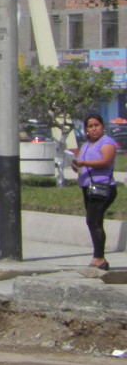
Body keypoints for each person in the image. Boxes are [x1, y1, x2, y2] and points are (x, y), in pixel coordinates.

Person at [70, 113, 118, 271]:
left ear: (102, 126)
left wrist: (85, 162)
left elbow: (106, 161)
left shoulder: (107, 142)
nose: (94, 129)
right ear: (86, 130)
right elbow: (83, 164)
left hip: (102, 187)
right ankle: (99, 257)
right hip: (88, 187)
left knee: (93, 220)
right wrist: (77, 165)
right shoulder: (86, 144)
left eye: (96, 125)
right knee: (94, 221)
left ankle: (99, 258)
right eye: (90, 126)